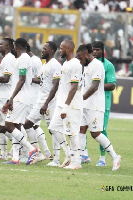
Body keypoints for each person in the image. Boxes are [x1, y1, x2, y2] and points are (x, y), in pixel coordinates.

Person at [76, 44, 121, 171]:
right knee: (81, 130)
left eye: (80, 58)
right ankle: (77, 161)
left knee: (95, 133)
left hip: (95, 105)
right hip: (85, 105)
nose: (79, 61)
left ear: (86, 54)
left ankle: (114, 156)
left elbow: (95, 86)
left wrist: (81, 98)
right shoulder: (86, 66)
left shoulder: (97, 65)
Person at [23, 41, 61, 166]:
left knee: (53, 130)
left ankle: (57, 159)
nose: (42, 50)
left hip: (49, 102)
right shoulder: (44, 66)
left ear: (51, 51)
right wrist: (25, 78)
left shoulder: (55, 65)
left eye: (45, 48)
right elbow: (40, 81)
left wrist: (46, 103)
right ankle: (37, 153)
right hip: (40, 101)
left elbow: (55, 86)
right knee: (27, 124)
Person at [1, 38, 39, 165]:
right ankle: (16, 158)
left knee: (8, 125)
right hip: (22, 97)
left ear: (15, 47)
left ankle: (31, 149)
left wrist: (11, 98)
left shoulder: (23, 58)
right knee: (17, 126)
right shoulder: (23, 58)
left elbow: (22, 80)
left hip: (20, 97)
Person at [48, 40, 83, 170]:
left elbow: (74, 87)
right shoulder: (65, 63)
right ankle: (68, 154)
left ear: (68, 49)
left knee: (72, 133)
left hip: (71, 105)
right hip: (61, 103)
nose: (59, 50)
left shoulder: (76, 64)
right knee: (53, 128)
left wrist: (66, 106)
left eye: (62, 48)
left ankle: (76, 162)